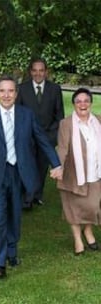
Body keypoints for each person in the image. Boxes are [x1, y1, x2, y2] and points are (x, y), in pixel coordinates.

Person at [0, 75, 62, 278]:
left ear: (16, 93)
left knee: (14, 216)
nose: (6, 95)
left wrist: (56, 163)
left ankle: (12, 251)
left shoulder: (26, 115)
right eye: (2, 91)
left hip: (20, 173)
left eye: (10, 91)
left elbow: (42, 140)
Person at [56, 88, 101, 255]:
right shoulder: (66, 124)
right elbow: (62, 148)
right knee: (73, 208)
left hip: (96, 173)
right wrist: (58, 167)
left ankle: (88, 230)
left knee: (93, 206)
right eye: (79, 101)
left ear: (90, 103)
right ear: (74, 104)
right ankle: (78, 240)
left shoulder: (98, 121)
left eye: (86, 100)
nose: (83, 104)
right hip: (74, 174)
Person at [16, 58, 64, 209]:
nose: (38, 73)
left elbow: (59, 116)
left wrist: (51, 136)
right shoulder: (22, 89)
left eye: (41, 70)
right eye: (35, 70)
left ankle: (37, 195)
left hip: (47, 137)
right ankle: (27, 198)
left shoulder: (55, 89)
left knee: (41, 167)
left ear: (46, 72)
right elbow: (17, 114)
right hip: (27, 136)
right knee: (27, 166)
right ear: (30, 72)